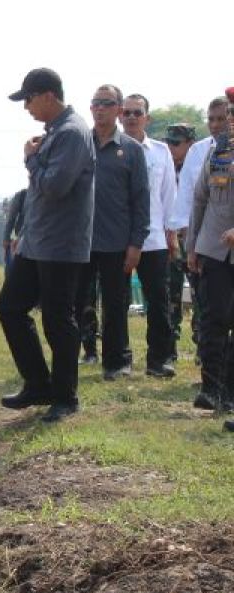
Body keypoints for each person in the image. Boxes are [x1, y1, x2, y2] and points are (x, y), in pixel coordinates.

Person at [0, 68, 95, 423]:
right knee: (10, 307)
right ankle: (38, 383)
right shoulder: (56, 132)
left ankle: (65, 396)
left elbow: (55, 186)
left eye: (29, 98)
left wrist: (30, 159)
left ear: (49, 96)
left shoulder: (72, 133)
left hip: (61, 244)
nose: (26, 107)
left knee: (58, 319)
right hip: (37, 242)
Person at [75, 84, 150, 380]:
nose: (100, 108)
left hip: (117, 241)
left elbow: (141, 199)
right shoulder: (80, 144)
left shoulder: (131, 150)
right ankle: (85, 352)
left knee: (115, 303)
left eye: (107, 103)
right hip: (80, 240)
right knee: (79, 300)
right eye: (95, 103)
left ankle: (117, 361)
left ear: (118, 110)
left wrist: (136, 243)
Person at [120, 93, 178, 377]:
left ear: (147, 118)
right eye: (127, 112)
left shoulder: (160, 151)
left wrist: (172, 233)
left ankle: (159, 360)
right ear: (120, 116)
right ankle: (120, 361)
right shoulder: (108, 149)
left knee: (158, 300)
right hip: (118, 238)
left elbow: (169, 194)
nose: (131, 117)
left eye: (137, 112)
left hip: (154, 238)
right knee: (117, 301)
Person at [186, 110, 234, 414]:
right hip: (215, 249)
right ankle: (211, 390)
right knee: (213, 318)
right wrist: (192, 246)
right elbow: (202, 198)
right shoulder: (220, 152)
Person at [165, 123, 197, 359]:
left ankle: (203, 346)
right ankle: (170, 345)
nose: (171, 147)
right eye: (169, 142)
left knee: (200, 296)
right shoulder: (166, 167)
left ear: (190, 144)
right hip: (172, 241)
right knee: (171, 295)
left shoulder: (200, 167)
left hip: (195, 240)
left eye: (176, 143)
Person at [2, 189, 26, 273]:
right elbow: (11, 219)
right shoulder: (22, 195)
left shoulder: (22, 195)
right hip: (21, 242)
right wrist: (6, 240)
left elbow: (11, 219)